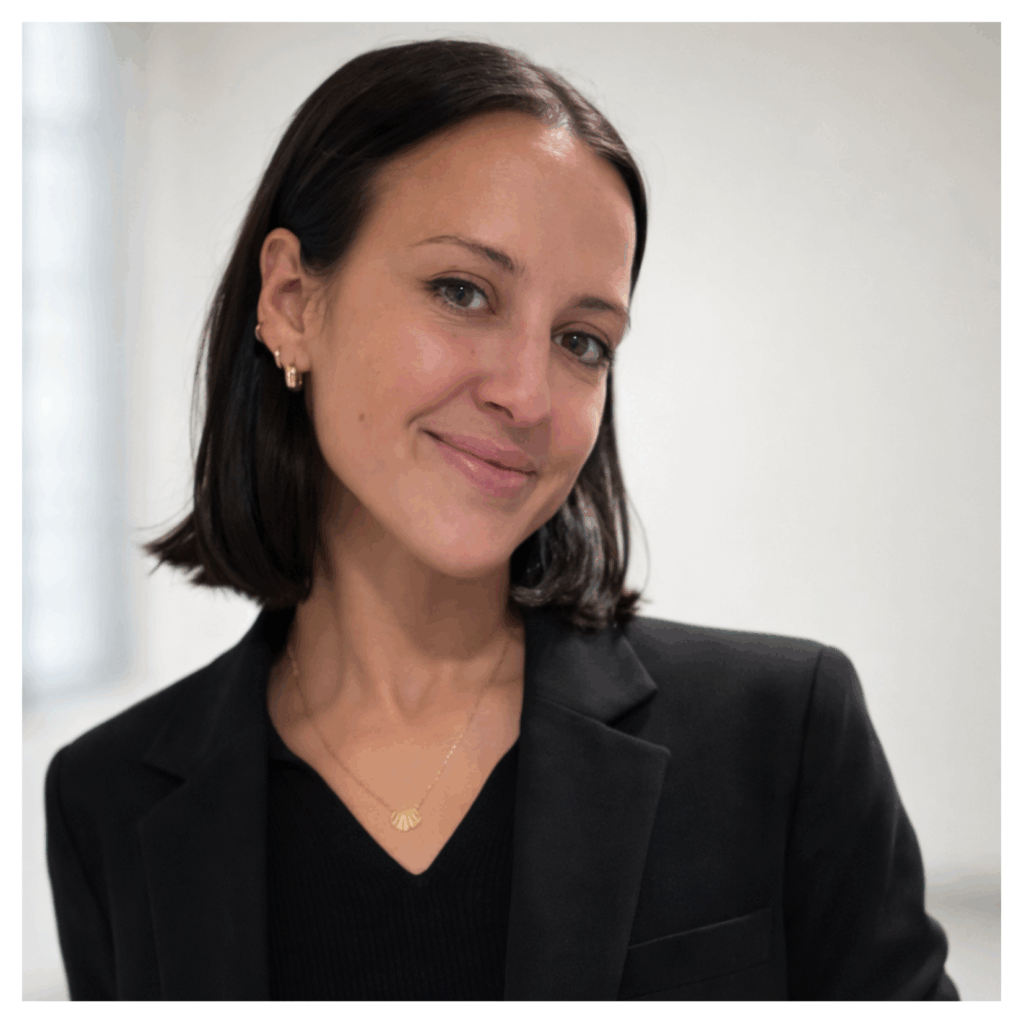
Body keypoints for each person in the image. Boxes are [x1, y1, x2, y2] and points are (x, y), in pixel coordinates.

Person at [44, 38, 958, 1001]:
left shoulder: (784, 734)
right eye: (463, 292)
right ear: (292, 302)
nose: (527, 395)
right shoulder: (107, 801)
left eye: (582, 341)